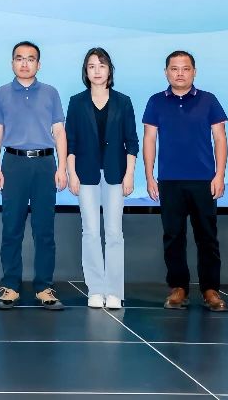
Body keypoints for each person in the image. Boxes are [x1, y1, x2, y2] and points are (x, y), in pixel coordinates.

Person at [142, 50, 228, 312]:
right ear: (166, 72)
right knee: (173, 236)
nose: (179, 73)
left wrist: (220, 175)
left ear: (194, 72)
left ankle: (210, 289)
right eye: (174, 68)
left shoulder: (209, 100)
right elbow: (149, 139)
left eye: (185, 68)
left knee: (207, 237)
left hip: (204, 180)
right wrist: (149, 176)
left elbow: (220, 138)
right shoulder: (156, 101)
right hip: (169, 180)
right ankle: (178, 288)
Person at [0, 40, 67, 310]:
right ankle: (10, 286)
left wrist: (62, 167)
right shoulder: (1, 93)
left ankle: (44, 287)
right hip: (13, 164)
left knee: (44, 229)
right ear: (12, 62)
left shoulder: (50, 93)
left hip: (45, 165)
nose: (25, 63)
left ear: (38, 64)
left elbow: (59, 132)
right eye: (19, 58)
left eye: (30, 59)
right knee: (11, 228)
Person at [66, 47, 138, 310]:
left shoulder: (123, 101)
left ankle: (114, 290)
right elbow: (71, 142)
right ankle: (95, 289)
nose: (97, 71)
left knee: (114, 232)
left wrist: (129, 174)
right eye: (91, 66)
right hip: (85, 174)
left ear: (110, 70)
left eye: (102, 65)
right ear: (85, 72)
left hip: (116, 173)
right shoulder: (77, 102)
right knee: (90, 231)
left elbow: (132, 142)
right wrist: (71, 173)